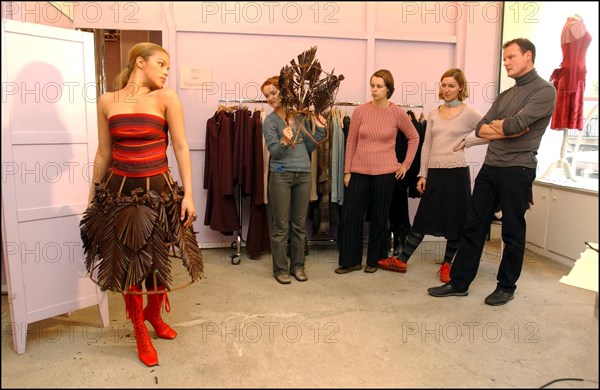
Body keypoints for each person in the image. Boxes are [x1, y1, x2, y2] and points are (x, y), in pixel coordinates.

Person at [79, 42, 204, 366]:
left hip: (159, 191)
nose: (166, 71)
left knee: (158, 256)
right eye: (161, 63)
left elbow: (179, 145)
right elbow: (104, 153)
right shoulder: (108, 101)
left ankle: (152, 312)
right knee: (130, 263)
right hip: (120, 193)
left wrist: (188, 194)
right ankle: (139, 327)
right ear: (139, 62)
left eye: (168, 66)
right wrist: (92, 197)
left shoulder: (166, 99)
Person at [427, 38, 556, 305]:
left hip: (518, 169)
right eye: (504, 58)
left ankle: (506, 286)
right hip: (490, 167)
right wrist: (504, 127)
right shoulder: (506, 95)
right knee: (473, 226)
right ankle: (460, 282)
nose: (506, 62)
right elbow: (482, 128)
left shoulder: (544, 91)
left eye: (510, 57)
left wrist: (503, 127)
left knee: (512, 231)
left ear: (528, 56)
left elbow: (516, 125)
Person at [378, 68, 485, 283]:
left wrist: (470, 142)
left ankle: (447, 265)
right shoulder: (434, 113)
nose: (446, 89)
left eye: (451, 86)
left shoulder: (469, 113)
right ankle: (402, 260)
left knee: (456, 220)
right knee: (423, 217)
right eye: (443, 85)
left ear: (460, 88)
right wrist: (422, 174)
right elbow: (426, 145)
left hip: (457, 173)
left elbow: (492, 131)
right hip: (435, 173)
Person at [336, 69, 419, 274]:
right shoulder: (361, 111)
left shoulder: (396, 112)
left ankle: (375, 260)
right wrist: (347, 171)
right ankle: (350, 261)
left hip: (385, 173)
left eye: (379, 86)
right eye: (372, 85)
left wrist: (405, 165)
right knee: (350, 215)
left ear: (388, 89)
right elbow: (351, 141)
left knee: (380, 217)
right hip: (359, 170)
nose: (374, 89)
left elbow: (414, 137)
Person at [261, 76, 327, 284]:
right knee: (280, 226)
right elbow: (275, 152)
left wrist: (320, 129)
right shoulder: (270, 121)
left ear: (284, 91)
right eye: (266, 95)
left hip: (303, 175)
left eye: (273, 92)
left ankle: (298, 266)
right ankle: (280, 268)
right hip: (281, 175)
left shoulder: (301, 116)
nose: (270, 98)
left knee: (299, 226)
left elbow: (309, 147)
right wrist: (283, 140)